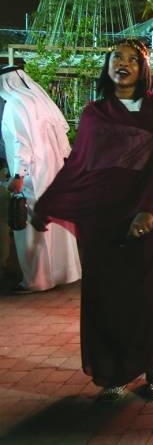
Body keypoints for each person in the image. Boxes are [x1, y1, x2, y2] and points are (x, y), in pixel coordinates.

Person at [32, 39, 153, 401]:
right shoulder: (94, 113)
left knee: (151, 294)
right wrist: (48, 202)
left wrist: (148, 209)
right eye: (117, 57)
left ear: (143, 69)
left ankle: (152, 367)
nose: (123, 63)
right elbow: (79, 166)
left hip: (150, 220)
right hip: (103, 220)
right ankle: (114, 371)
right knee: (107, 297)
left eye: (133, 60)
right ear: (107, 64)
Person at [0, 67, 81, 293]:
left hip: (32, 177)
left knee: (32, 228)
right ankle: (65, 273)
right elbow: (64, 141)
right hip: (53, 172)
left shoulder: (15, 106)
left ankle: (37, 280)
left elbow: (20, 144)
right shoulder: (40, 102)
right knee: (54, 223)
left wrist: (18, 175)